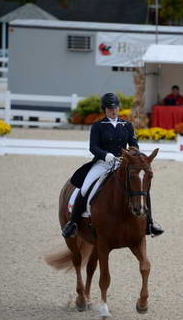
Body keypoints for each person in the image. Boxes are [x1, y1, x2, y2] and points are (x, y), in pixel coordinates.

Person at [62, 93, 164, 238]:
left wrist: (131, 153)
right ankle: (73, 223)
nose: (114, 111)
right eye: (110, 109)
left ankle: (149, 223)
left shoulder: (127, 125)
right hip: (103, 163)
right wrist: (106, 155)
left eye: (116, 108)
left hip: (123, 164)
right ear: (104, 109)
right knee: (85, 187)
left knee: (142, 188)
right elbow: (93, 147)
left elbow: (134, 145)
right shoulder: (98, 126)